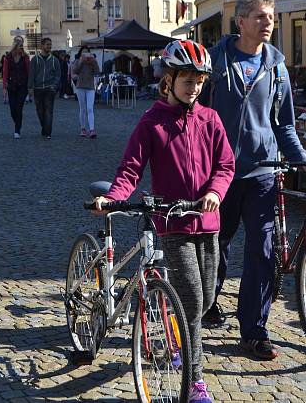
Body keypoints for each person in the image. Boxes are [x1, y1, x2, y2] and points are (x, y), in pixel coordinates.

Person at [94, 39, 235, 403]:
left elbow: (225, 165)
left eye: (200, 80)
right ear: (168, 80)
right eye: (188, 79)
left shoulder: (210, 119)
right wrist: (113, 198)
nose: (195, 87)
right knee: (190, 301)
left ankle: (179, 343)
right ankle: (195, 382)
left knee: (204, 299)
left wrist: (216, 193)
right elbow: (131, 168)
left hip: (208, 221)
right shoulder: (152, 122)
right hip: (173, 224)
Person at [202, 0, 306, 361]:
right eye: (261, 17)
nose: (268, 23)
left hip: (263, 171)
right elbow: (196, 116)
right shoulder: (216, 61)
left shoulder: (276, 67)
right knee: (216, 244)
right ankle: (206, 301)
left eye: (271, 17)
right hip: (219, 172)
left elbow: (285, 125)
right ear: (241, 21)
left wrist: (302, 161)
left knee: (262, 250)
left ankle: (253, 330)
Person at [28, 37, 59, 139]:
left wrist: (54, 85)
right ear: (42, 46)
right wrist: (30, 87)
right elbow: (31, 74)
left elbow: (58, 75)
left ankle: (48, 132)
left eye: (50, 44)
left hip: (49, 88)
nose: (49, 46)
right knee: (40, 111)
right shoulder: (35, 60)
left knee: (49, 110)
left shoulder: (54, 60)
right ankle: (44, 127)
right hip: (38, 89)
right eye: (47, 44)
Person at [3, 37, 30, 139]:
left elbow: (29, 71)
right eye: (20, 46)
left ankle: (17, 129)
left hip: (23, 86)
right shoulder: (8, 57)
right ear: (15, 47)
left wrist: (30, 86)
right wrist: (4, 86)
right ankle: (17, 122)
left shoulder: (25, 57)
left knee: (19, 108)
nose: (21, 48)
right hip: (12, 86)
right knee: (12, 109)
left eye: (22, 47)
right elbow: (5, 72)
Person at [71, 49, 100, 138]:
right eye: (84, 52)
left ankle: (92, 129)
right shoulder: (77, 61)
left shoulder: (92, 61)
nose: (86, 54)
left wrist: (93, 61)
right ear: (81, 53)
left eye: (87, 52)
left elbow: (97, 72)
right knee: (82, 108)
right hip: (80, 86)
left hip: (90, 87)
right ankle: (83, 128)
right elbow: (75, 71)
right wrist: (81, 61)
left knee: (90, 108)